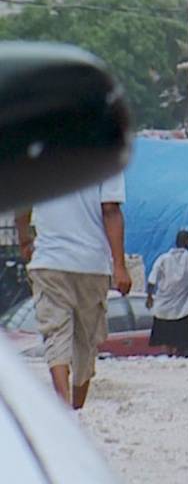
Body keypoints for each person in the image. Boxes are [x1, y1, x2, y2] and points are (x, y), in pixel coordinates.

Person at [14, 174, 132, 409]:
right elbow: (111, 210)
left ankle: (64, 404)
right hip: (92, 264)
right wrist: (119, 265)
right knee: (86, 342)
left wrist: (25, 239)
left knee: (56, 334)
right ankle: (75, 408)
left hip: (49, 261)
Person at [146, 230, 188, 357]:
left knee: (165, 343)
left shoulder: (163, 259)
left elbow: (152, 279)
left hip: (163, 306)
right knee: (185, 346)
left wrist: (149, 297)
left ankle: (168, 357)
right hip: (183, 309)